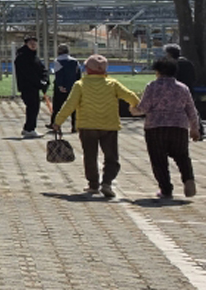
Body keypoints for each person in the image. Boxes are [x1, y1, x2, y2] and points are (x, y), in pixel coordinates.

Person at [51, 55, 141, 198]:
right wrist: (136, 107)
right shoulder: (113, 84)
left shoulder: (80, 85)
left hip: (87, 126)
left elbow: (70, 105)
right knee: (111, 157)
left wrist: (58, 122)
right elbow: (131, 96)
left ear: (87, 69)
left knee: (90, 156)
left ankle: (93, 184)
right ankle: (107, 182)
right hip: (109, 126)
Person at [138, 56, 200, 199]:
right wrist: (194, 128)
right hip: (179, 127)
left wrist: (135, 110)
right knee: (182, 156)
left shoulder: (152, 86)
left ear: (157, 71)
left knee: (158, 159)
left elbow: (144, 107)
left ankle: (166, 189)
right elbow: (191, 110)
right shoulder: (182, 88)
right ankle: (188, 179)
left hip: (155, 127)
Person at [14, 35, 47, 138]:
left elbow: (42, 69)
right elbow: (28, 73)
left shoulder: (35, 56)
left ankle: (28, 128)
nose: (33, 45)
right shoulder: (22, 57)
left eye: (34, 43)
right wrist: (39, 82)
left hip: (34, 87)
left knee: (34, 107)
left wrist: (45, 80)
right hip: (27, 87)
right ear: (26, 44)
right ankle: (29, 129)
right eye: (30, 43)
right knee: (32, 107)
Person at [50, 45, 81, 125]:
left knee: (57, 106)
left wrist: (60, 85)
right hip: (73, 86)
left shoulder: (58, 60)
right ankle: (74, 125)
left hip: (61, 87)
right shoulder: (75, 61)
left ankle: (54, 123)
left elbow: (58, 74)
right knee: (74, 106)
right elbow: (78, 74)